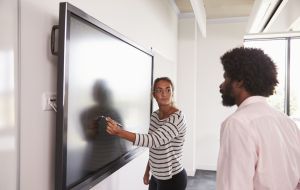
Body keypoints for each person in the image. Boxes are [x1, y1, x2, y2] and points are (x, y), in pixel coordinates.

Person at [217, 47, 300, 190]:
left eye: (225, 77)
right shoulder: (288, 123)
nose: (221, 85)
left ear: (239, 81)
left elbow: (234, 186)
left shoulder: (237, 124)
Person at [106, 77, 187, 190]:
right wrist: (147, 171)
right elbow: (154, 148)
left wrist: (119, 132)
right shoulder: (155, 116)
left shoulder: (177, 118)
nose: (164, 93)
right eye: (159, 90)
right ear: (154, 94)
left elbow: (153, 140)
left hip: (173, 178)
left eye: (168, 90)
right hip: (156, 176)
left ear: (172, 93)